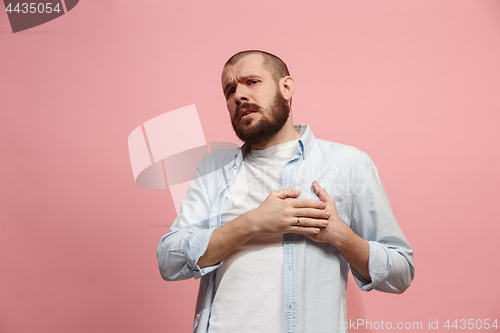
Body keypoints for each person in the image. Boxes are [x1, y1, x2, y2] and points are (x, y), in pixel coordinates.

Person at [157, 50, 414, 333]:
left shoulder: (348, 163)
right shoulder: (212, 168)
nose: (239, 95)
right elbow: (169, 260)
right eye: (229, 90)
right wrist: (254, 223)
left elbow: (400, 272)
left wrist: (339, 235)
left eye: (251, 82)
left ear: (286, 88)